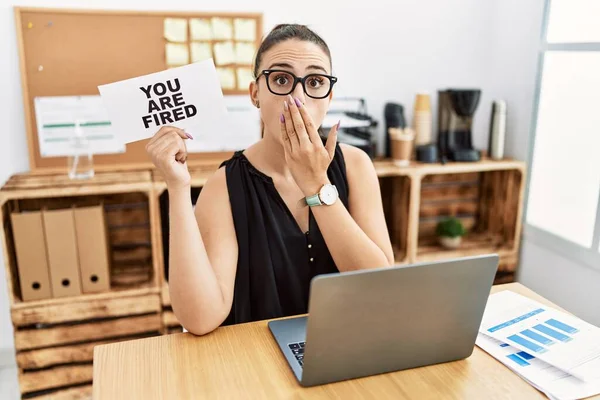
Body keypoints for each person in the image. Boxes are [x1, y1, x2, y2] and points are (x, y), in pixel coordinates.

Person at [146, 24, 394, 335]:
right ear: (255, 94)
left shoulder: (357, 165)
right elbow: (199, 319)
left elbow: (381, 288)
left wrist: (317, 184)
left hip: (347, 350)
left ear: (329, 97)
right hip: (260, 366)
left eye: (315, 81)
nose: (298, 98)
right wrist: (178, 188)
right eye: (281, 80)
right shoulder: (225, 185)